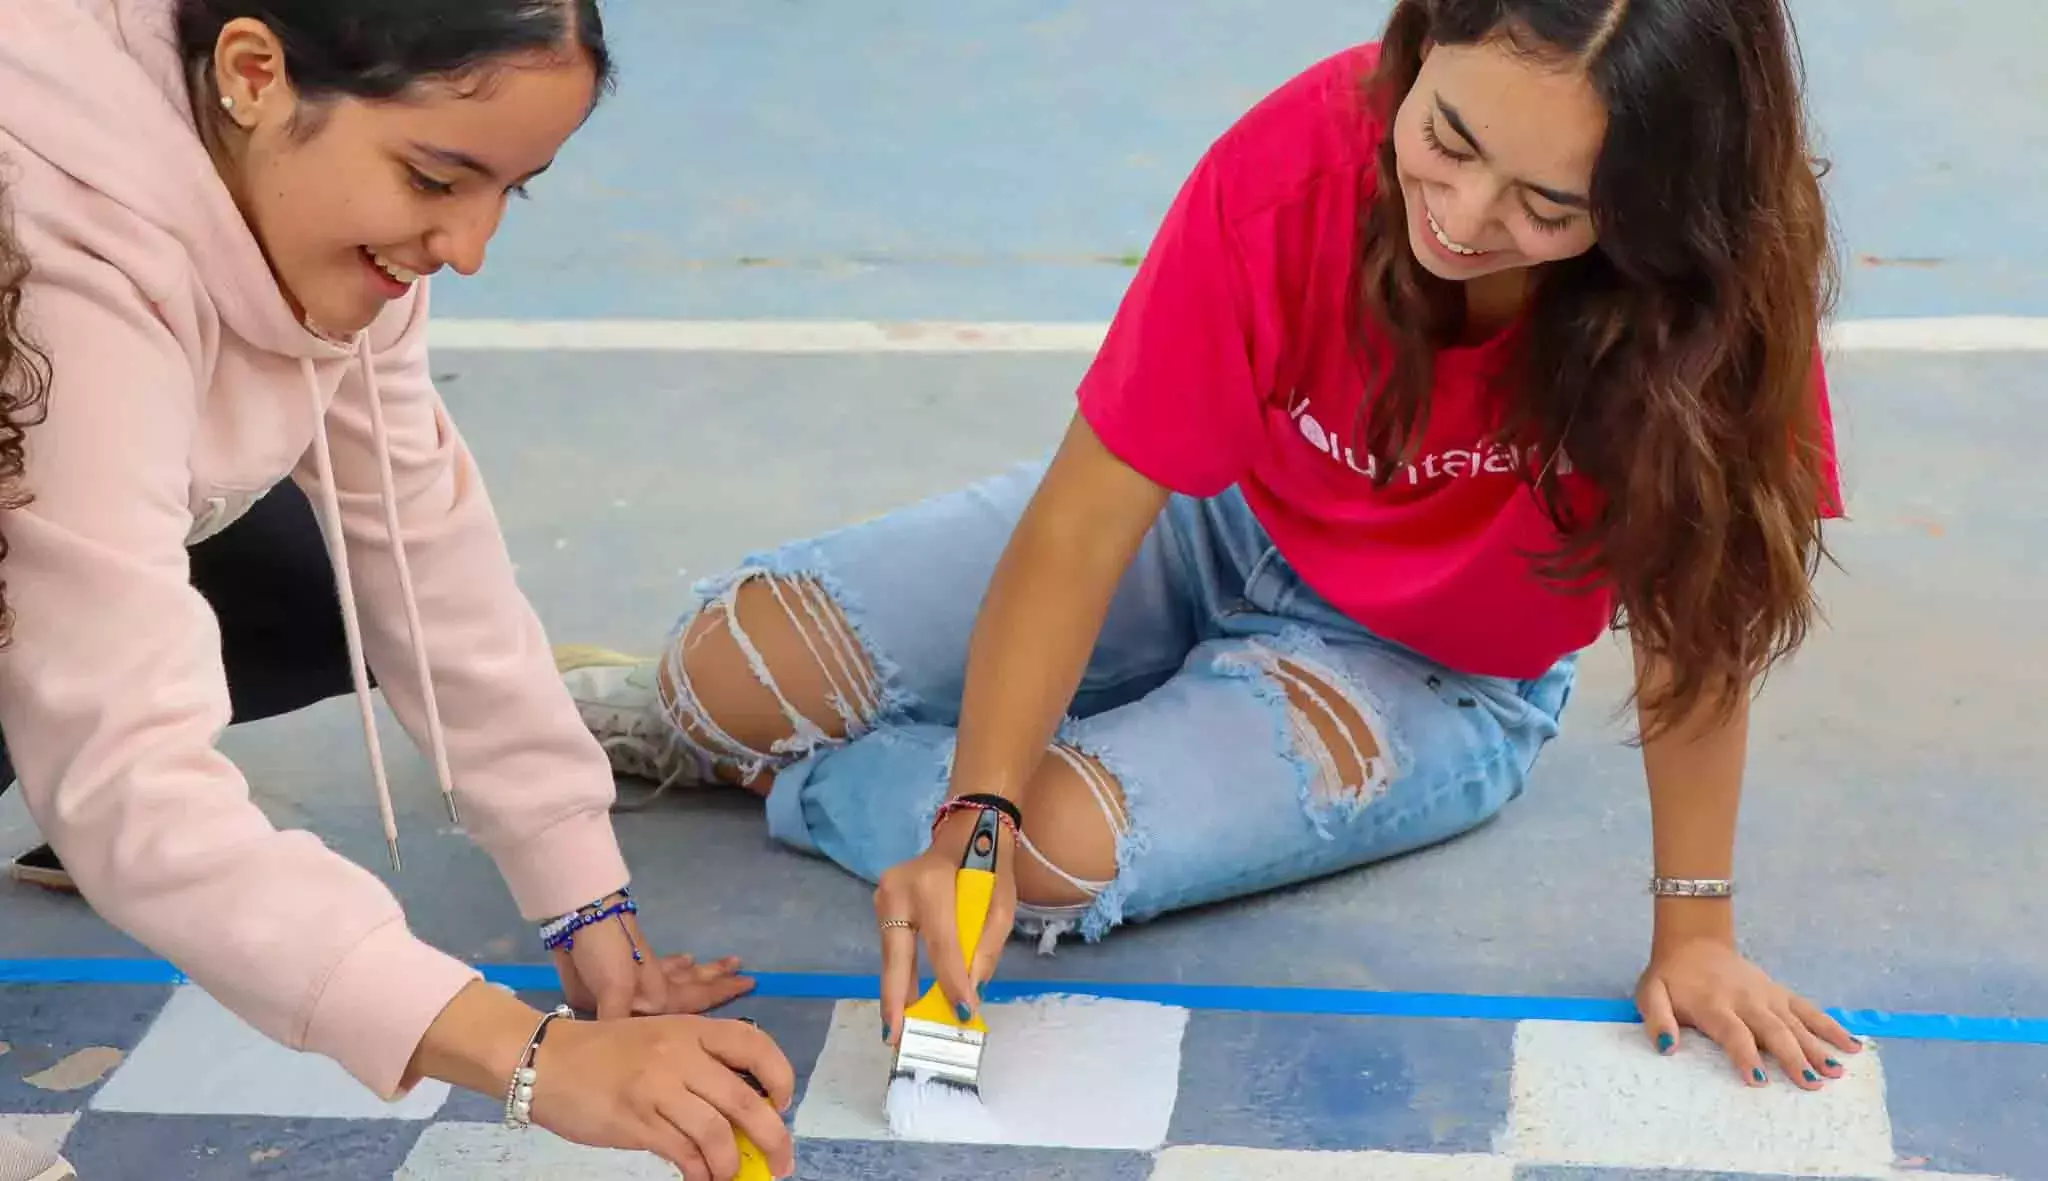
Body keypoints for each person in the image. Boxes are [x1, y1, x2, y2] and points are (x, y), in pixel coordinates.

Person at [563, 0, 1867, 1097]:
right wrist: (965, 811)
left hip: (1426, 667)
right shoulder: (1298, 157)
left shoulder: (1715, 295)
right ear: (1418, 49)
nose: (1465, 218)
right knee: (724, 668)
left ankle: (807, 783)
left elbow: (1705, 625)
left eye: (1548, 205)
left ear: (1654, 211)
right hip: (1221, 513)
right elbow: (1082, 525)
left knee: (1047, 858)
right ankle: (828, 748)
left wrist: (1695, 928)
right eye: (1448, 139)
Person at [0, 3, 795, 1178]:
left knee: (300, 584)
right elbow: (129, 779)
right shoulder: (66, 252)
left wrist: (578, 888)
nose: (464, 246)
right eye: (436, 178)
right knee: (110, 710)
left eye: (506, 192)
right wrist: (529, 1056)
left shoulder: (299, 189)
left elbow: (421, 539)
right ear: (254, 73)